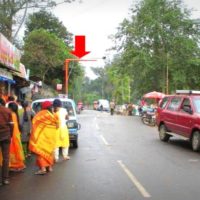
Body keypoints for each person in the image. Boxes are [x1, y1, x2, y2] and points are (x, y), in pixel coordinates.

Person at [29, 101, 59, 175]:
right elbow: (57, 125)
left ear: (43, 107)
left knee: (40, 152)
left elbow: (34, 122)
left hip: (42, 137)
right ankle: (49, 167)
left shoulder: (40, 114)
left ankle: (43, 169)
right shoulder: (53, 114)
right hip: (51, 137)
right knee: (49, 152)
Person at [7, 102, 26, 172]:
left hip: (13, 135)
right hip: (16, 134)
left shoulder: (11, 114)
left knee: (13, 150)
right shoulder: (15, 114)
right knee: (17, 150)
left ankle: (16, 165)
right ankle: (19, 164)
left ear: (10, 108)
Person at [0, 98, 13, 186]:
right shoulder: (7, 111)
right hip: (6, 135)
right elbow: (11, 124)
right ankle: (5, 179)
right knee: (6, 158)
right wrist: (11, 135)